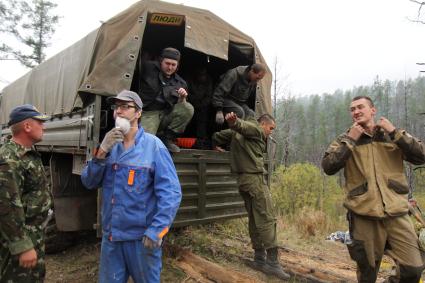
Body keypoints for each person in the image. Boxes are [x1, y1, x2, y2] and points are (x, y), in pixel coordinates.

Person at [81, 90, 182, 283]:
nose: (118, 111)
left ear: (138, 113)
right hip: (111, 239)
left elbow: (171, 193)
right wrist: (101, 151)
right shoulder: (109, 146)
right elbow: (89, 182)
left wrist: (157, 230)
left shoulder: (154, 147)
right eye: (116, 107)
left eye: (125, 107)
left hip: (141, 240)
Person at [322, 95, 425, 283]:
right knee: (367, 274)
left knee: (414, 268)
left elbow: (421, 156)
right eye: (352, 109)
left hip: (397, 213)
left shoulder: (391, 135)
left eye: (360, 107)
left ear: (373, 111)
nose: (356, 112)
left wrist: (395, 132)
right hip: (364, 214)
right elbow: (328, 166)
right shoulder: (345, 138)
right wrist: (350, 141)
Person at [212, 112, 290, 280]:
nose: (270, 132)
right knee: (267, 218)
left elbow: (218, 136)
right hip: (254, 180)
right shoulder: (257, 130)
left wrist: (218, 144)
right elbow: (245, 126)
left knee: (254, 219)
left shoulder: (236, 133)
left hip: (242, 181)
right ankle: (273, 264)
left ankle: (259, 258)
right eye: (271, 128)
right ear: (262, 124)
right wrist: (235, 122)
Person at [0, 104, 51, 282]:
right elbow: (6, 206)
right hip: (18, 241)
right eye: (40, 123)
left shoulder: (26, 154)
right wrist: (21, 246)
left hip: (32, 234)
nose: (43, 127)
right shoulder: (9, 159)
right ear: (27, 127)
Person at [138, 47, 194, 153]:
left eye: (173, 65)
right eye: (167, 63)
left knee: (188, 108)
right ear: (160, 61)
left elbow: (181, 108)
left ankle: (167, 138)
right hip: (148, 113)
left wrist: (182, 98)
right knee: (145, 145)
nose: (170, 67)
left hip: (165, 114)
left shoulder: (181, 83)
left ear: (177, 66)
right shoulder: (148, 67)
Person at [186, 66, 213, 141]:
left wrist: (201, 105)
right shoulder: (189, 79)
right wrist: (192, 103)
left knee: (203, 118)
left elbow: (209, 96)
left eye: (203, 75)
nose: (202, 77)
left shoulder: (208, 81)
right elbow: (186, 93)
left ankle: (201, 139)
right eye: (200, 75)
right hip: (190, 103)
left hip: (202, 105)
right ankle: (186, 136)